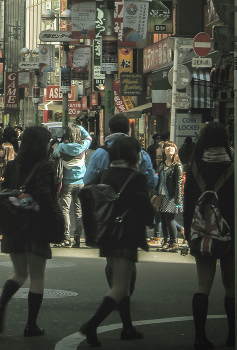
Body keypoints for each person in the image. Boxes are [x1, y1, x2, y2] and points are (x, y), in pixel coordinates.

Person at [79, 135, 155, 346]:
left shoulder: (105, 174)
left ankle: (127, 327)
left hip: (107, 234)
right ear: (134, 155)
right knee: (121, 287)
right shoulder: (136, 177)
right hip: (126, 235)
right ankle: (91, 325)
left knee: (121, 283)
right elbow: (146, 209)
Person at [0, 124, 63, 339]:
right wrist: (56, 221)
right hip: (36, 226)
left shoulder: (13, 165)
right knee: (37, 276)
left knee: (20, 272)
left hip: (13, 225)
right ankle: (31, 325)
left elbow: (7, 192)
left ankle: (1, 305)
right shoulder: (45, 166)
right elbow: (45, 197)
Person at [183, 121, 237, 350]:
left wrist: (190, 234)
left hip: (202, 233)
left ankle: (200, 337)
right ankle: (233, 336)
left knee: (203, 285)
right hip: (231, 234)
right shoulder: (234, 166)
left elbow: (188, 203)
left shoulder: (195, 167)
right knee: (231, 286)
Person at [84, 115, 158, 193]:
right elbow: (151, 181)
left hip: (108, 201)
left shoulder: (99, 153)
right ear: (128, 129)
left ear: (110, 130)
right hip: (135, 200)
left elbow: (88, 180)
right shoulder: (140, 152)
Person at [55, 123, 92, 247]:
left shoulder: (62, 146)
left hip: (66, 183)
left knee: (65, 209)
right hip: (81, 182)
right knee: (79, 210)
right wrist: (79, 127)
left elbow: (55, 155)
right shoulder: (83, 146)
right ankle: (77, 236)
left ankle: (66, 236)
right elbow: (89, 137)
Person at [154, 140, 183, 252]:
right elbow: (158, 179)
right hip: (161, 195)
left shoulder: (177, 165)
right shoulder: (162, 164)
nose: (169, 149)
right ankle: (165, 241)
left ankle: (173, 242)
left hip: (171, 196)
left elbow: (179, 183)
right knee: (162, 219)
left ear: (175, 150)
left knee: (170, 219)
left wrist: (178, 199)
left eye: (171, 147)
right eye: (167, 147)